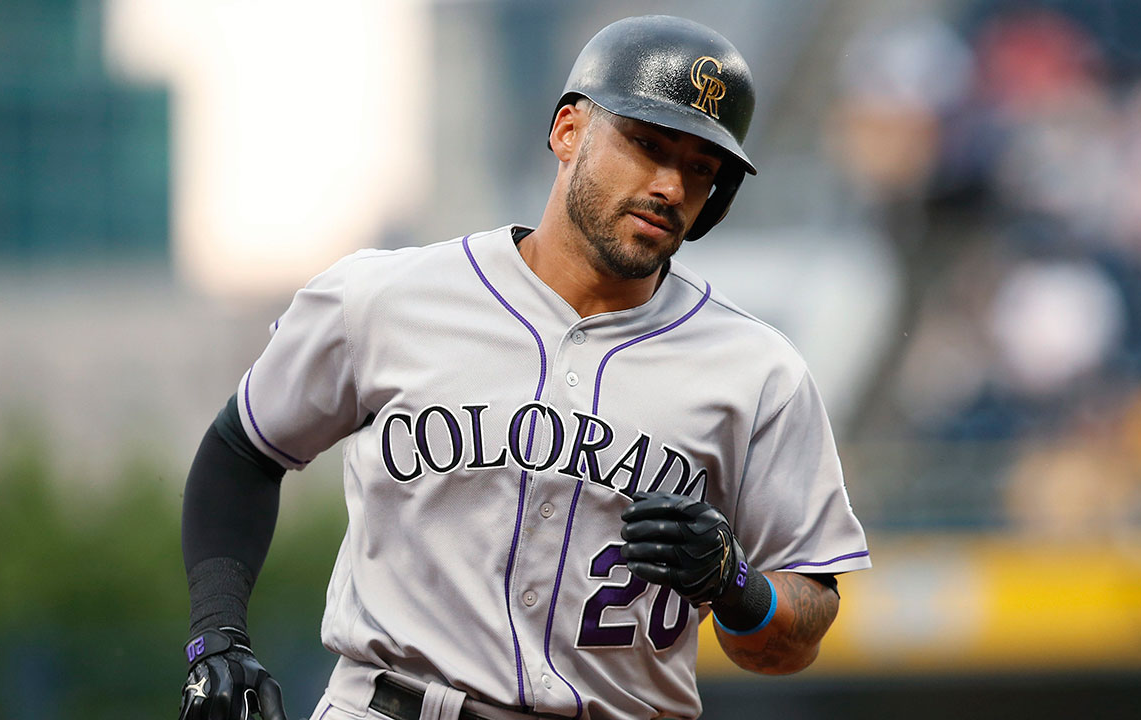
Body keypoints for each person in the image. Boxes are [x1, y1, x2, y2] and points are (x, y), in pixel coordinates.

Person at [177, 15, 870, 720]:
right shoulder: (384, 298)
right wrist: (217, 634)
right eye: (646, 144)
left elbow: (790, 642)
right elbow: (243, 448)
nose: (669, 185)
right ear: (568, 130)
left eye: (700, 167)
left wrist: (736, 584)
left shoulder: (760, 373)